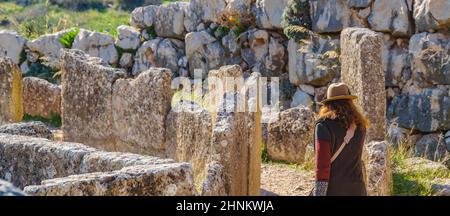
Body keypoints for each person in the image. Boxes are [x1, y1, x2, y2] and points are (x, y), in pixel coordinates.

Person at [313, 83, 369, 196]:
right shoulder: (360, 126)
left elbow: (322, 167)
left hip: (334, 191)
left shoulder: (323, 126)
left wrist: (319, 194)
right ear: (350, 102)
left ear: (327, 104)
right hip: (357, 189)